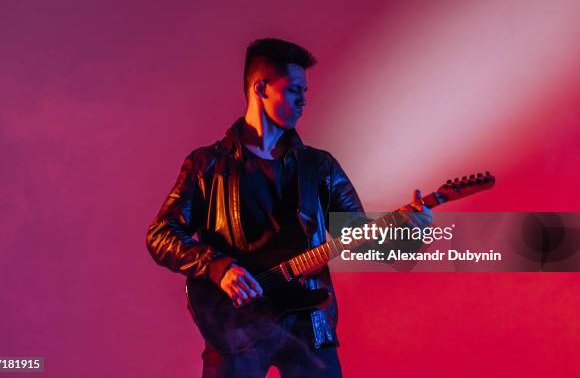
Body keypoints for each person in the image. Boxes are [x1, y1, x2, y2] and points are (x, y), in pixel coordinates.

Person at [146, 38, 431, 377]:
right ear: (261, 87)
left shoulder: (319, 167)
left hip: (310, 321)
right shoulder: (208, 165)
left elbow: (358, 237)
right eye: (295, 90)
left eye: (305, 92)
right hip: (236, 324)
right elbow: (161, 234)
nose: (303, 101)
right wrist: (218, 268)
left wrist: (411, 233)